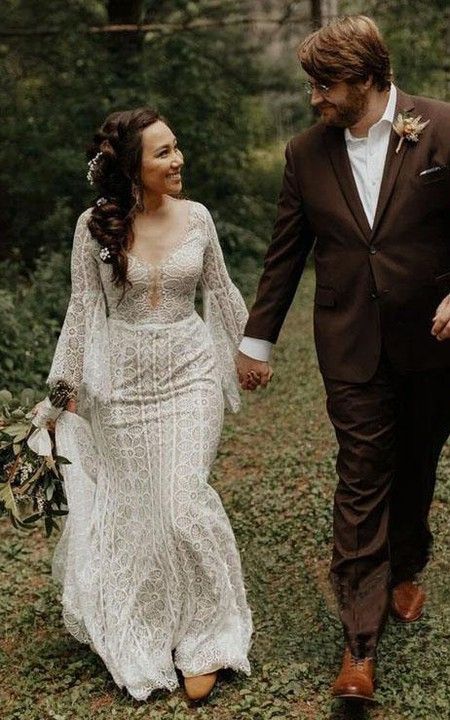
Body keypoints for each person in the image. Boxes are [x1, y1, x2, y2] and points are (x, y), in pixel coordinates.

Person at [236, 15, 450, 700]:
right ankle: (358, 646)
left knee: (417, 461)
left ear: (366, 79)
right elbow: (285, 252)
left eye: (324, 85)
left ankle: (410, 562)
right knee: (361, 476)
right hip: (350, 342)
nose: (314, 99)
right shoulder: (305, 153)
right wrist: (256, 338)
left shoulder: (442, 126)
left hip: (434, 341)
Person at [33, 108, 252, 702]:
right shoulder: (93, 227)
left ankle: (207, 637)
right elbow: (83, 312)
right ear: (131, 166)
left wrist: (248, 350)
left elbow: (221, 290)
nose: (178, 160)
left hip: (189, 373)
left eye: (176, 148)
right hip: (122, 384)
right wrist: (60, 392)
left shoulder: (198, 217)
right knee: (139, 511)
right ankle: (151, 626)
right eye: (163, 153)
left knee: (182, 502)